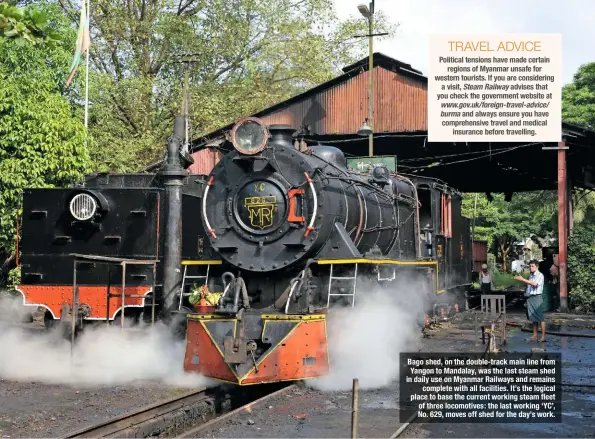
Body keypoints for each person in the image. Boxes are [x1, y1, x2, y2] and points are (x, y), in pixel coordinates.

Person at [514, 259, 546, 342]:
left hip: (537, 297)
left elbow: (534, 284)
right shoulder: (531, 275)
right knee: (533, 317)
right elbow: (529, 286)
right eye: (530, 266)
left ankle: (543, 336)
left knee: (540, 317)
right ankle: (534, 335)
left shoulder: (539, 275)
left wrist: (522, 279)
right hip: (530, 297)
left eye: (532, 266)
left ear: (537, 266)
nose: (531, 268)